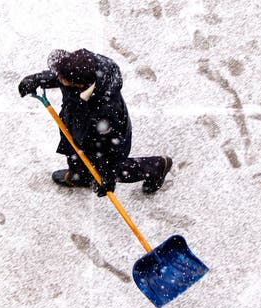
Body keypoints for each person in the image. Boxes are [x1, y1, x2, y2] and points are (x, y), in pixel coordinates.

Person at [18, 49, 172, 197]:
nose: (57, 78)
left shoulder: (104, 113)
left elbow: (111, 149)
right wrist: (39, 79)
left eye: (61, 77)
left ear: (78, 84)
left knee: (107, 167)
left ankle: (156, 166)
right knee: (75, 153)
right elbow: (63, 73)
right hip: (78, 126)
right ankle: (81, 176)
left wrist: (108, 178)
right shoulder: (88, 67)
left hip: (103, 141)